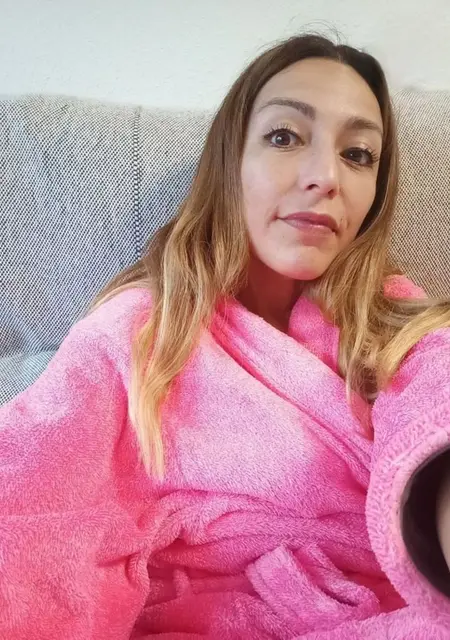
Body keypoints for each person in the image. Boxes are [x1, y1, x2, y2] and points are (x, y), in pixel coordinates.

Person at [1, 33, 450, 640]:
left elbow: (438, 412)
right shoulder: (136, 332)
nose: (326, 177)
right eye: (285, 137)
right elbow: (27, 496)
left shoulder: (402, 325)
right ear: (230, 161)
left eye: (358, 154)